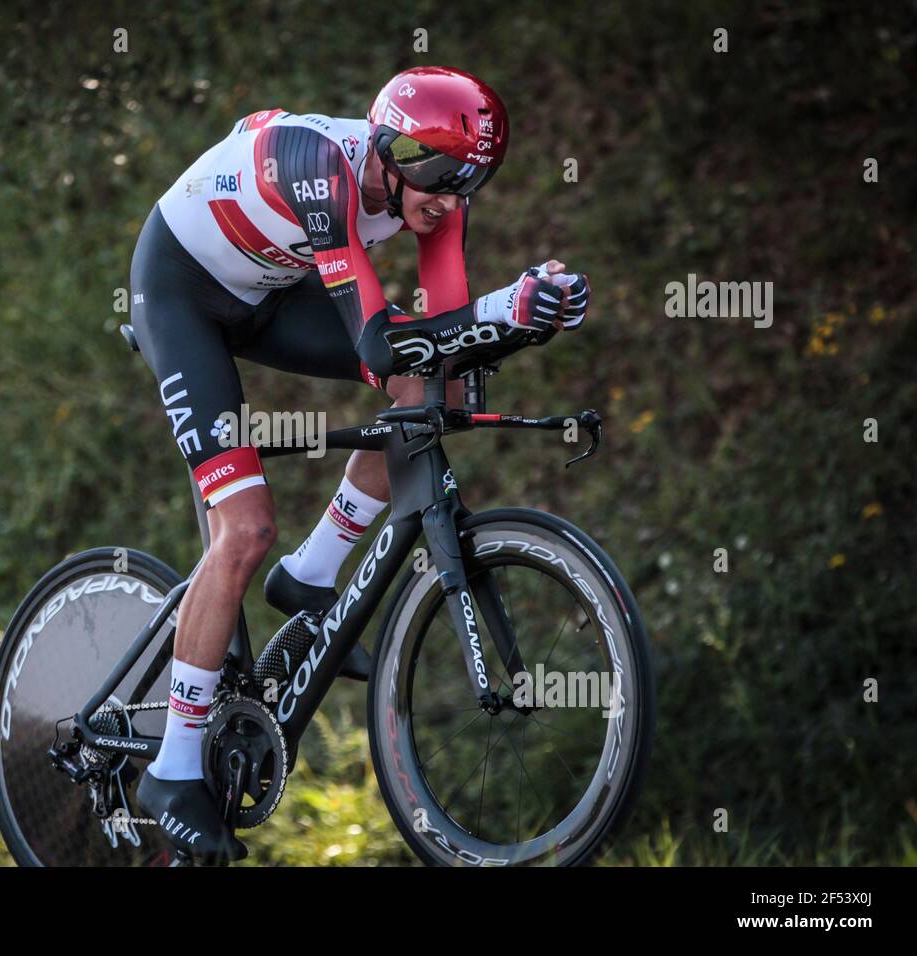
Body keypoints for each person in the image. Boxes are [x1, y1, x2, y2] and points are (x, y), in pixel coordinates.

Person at [127, 65, 590, 860]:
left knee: (426, 386)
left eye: (470, 183)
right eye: (441, 177)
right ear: (389, 147)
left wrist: (523, 319)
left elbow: (443, 339)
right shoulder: (319, 165)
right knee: (242, 529)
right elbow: (378, 343)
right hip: (181, 294)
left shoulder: (436, 202)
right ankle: (170, 771)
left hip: (269, 292)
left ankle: (313, 572)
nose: (449, 201)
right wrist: (500, 308)